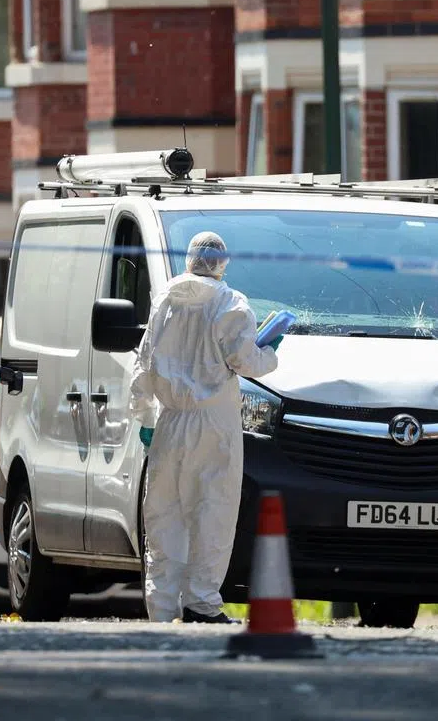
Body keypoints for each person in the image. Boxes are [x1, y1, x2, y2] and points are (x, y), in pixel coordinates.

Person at [129, 231, 281, 624]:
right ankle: (201, 603)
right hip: (214, 422)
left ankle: (160, 607)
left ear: (190, 260)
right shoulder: (231, 303)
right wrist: (270, 354)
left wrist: (144, 414)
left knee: (164, 515)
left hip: (169, 420)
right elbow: (245, 361)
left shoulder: (164, 301)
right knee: (212, 511)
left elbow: (143, 364)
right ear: (222, 262)